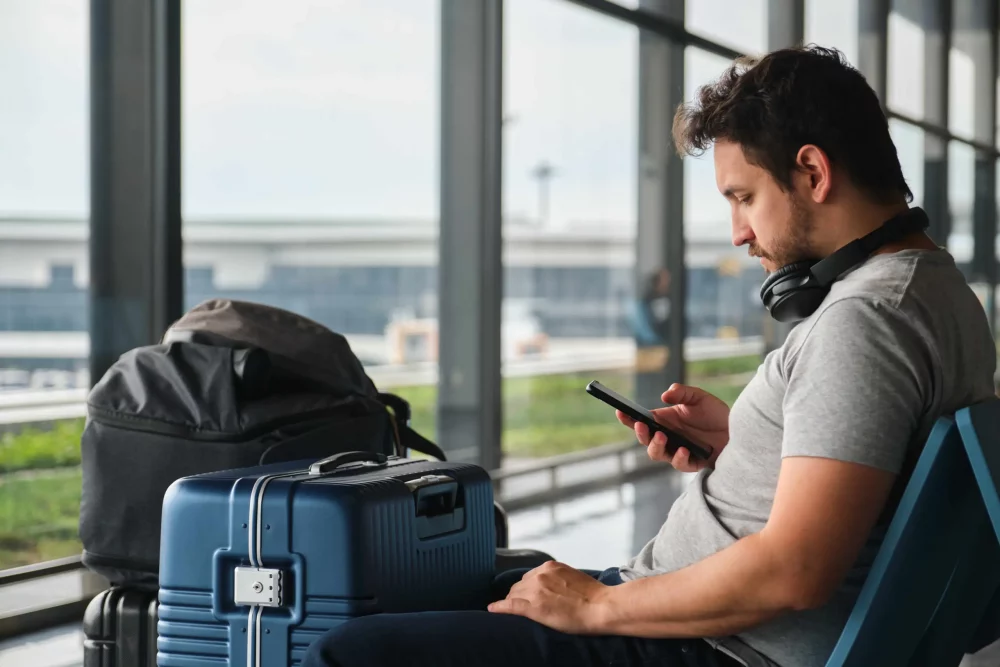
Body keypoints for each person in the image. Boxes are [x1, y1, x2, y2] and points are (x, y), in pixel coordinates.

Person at [303, 45, 997, 667]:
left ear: (813, 171)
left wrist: (597, 608)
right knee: (454, 590)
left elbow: (797, 569)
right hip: (689, 619)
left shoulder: (863, 321)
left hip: (710, 643)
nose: (738, 233)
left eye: (744, 197)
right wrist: (747, 441)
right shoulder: (937, 294)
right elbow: (869, 476)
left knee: (346, 647)